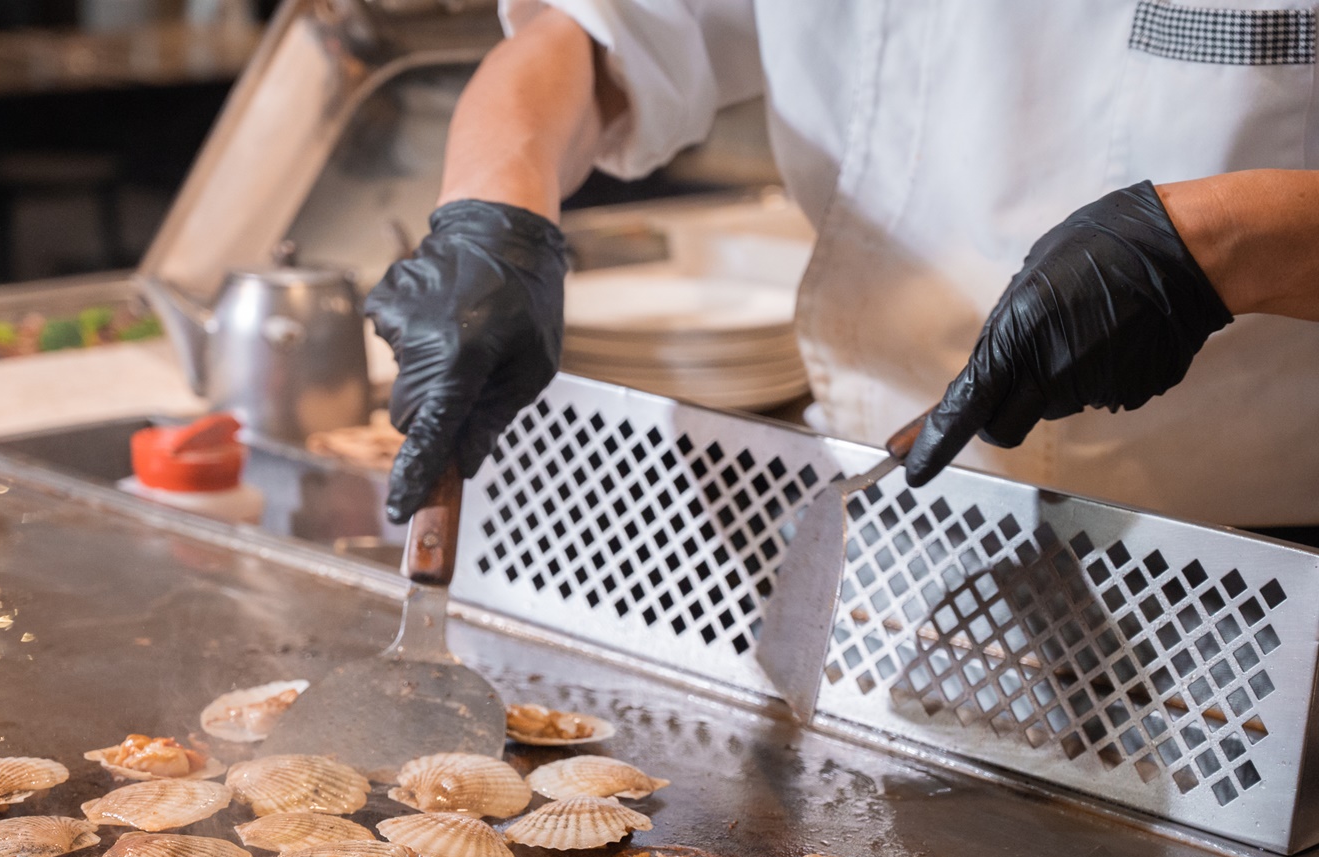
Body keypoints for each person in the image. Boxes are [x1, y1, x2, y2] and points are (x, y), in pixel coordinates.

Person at [364, 2, 1319, 530]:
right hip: (881, 518)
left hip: (1255, 572)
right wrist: (496, 211)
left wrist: (1216, 244)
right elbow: (593, 34)